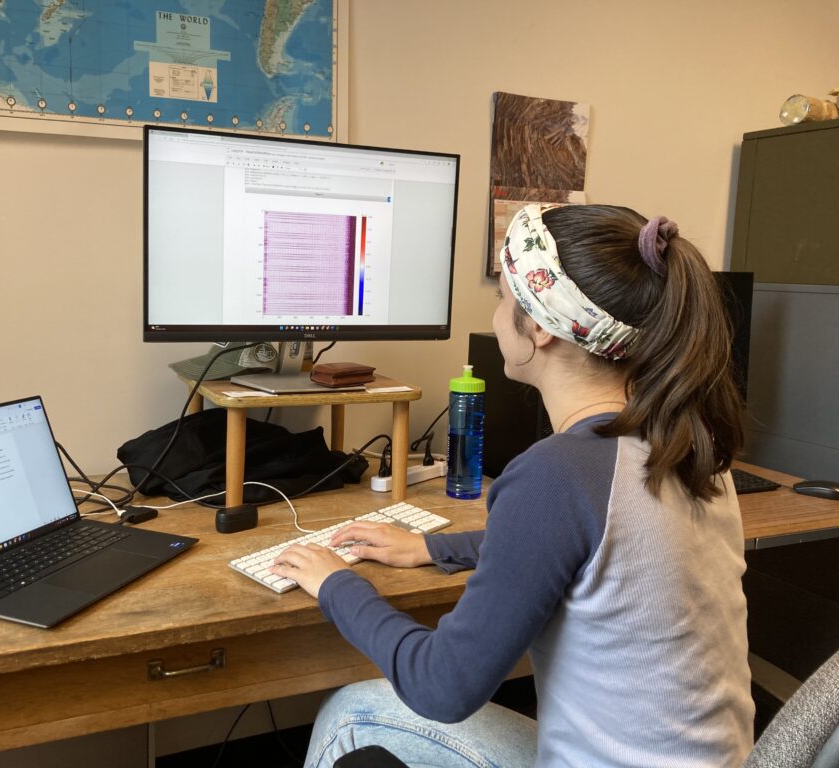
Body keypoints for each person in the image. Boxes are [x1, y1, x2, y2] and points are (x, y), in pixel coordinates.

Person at [270, 203, 755, 768]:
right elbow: (603, 544)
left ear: (543, 329)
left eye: (505, 300)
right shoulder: (696, 447)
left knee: (351, 715)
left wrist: (336, 584)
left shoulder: (558, 473)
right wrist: (431, 548)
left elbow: (441, 687)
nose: (498, 318)